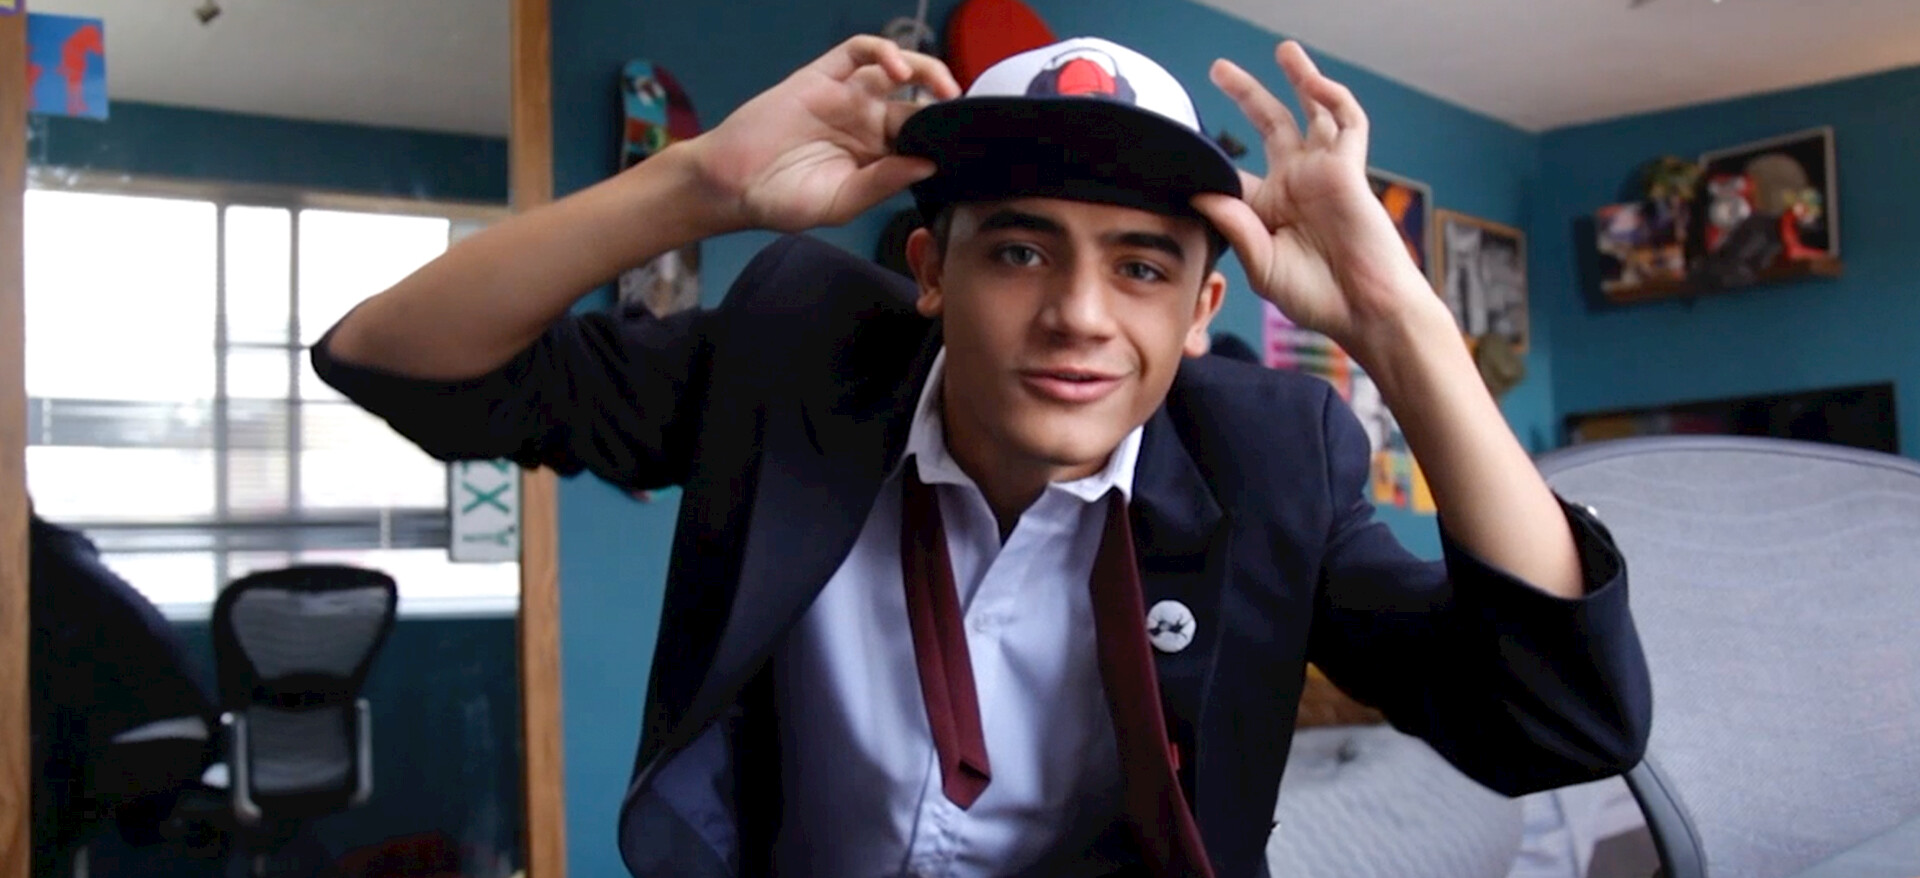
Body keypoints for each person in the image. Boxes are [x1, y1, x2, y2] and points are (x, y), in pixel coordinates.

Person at [312, 33, 1650, 878]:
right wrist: (698, 185)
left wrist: (1403, 323)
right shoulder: (793, 358)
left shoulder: (1269, 457)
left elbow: (1561, 721)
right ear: (929, 273)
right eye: (1018, 250)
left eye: (1142, 268)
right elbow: (395, 361)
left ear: (1202, 314)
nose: (1078, 314)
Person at [29, 509, 219, 877]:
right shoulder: (60, 556)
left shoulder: (36, 570)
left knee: (28, 812)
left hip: (141, 739)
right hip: (174, 729)